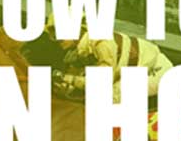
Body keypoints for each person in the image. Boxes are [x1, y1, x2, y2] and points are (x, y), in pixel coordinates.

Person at [44, 14, 174, 102]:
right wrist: (65, 86)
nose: (56, 39)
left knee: (110, 99)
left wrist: (67, 78)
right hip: (133, 71)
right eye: (53, 34)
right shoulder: (78, 51)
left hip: (157, 70)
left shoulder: (102, 43)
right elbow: (76, 83)